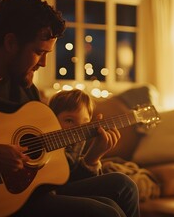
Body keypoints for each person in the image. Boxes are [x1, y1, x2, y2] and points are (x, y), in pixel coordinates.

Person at [0, 0, 139, 217]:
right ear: (11, 42)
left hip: (27, 193)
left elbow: (50, 173)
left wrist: (92, 158)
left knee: (123, 186)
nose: (43, 63)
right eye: (38, 52)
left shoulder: (25, 88)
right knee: (106, 213)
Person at [46, 88, 140, 217]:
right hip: (48, 190)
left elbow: (75, 179)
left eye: (84, 123)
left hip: (65, 187)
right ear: (51, 118)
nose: (77, 130)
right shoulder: (45, 139)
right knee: (110, 210)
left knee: (125, 184)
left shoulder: (79, 142)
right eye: (69, 120)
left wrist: (94, 158)